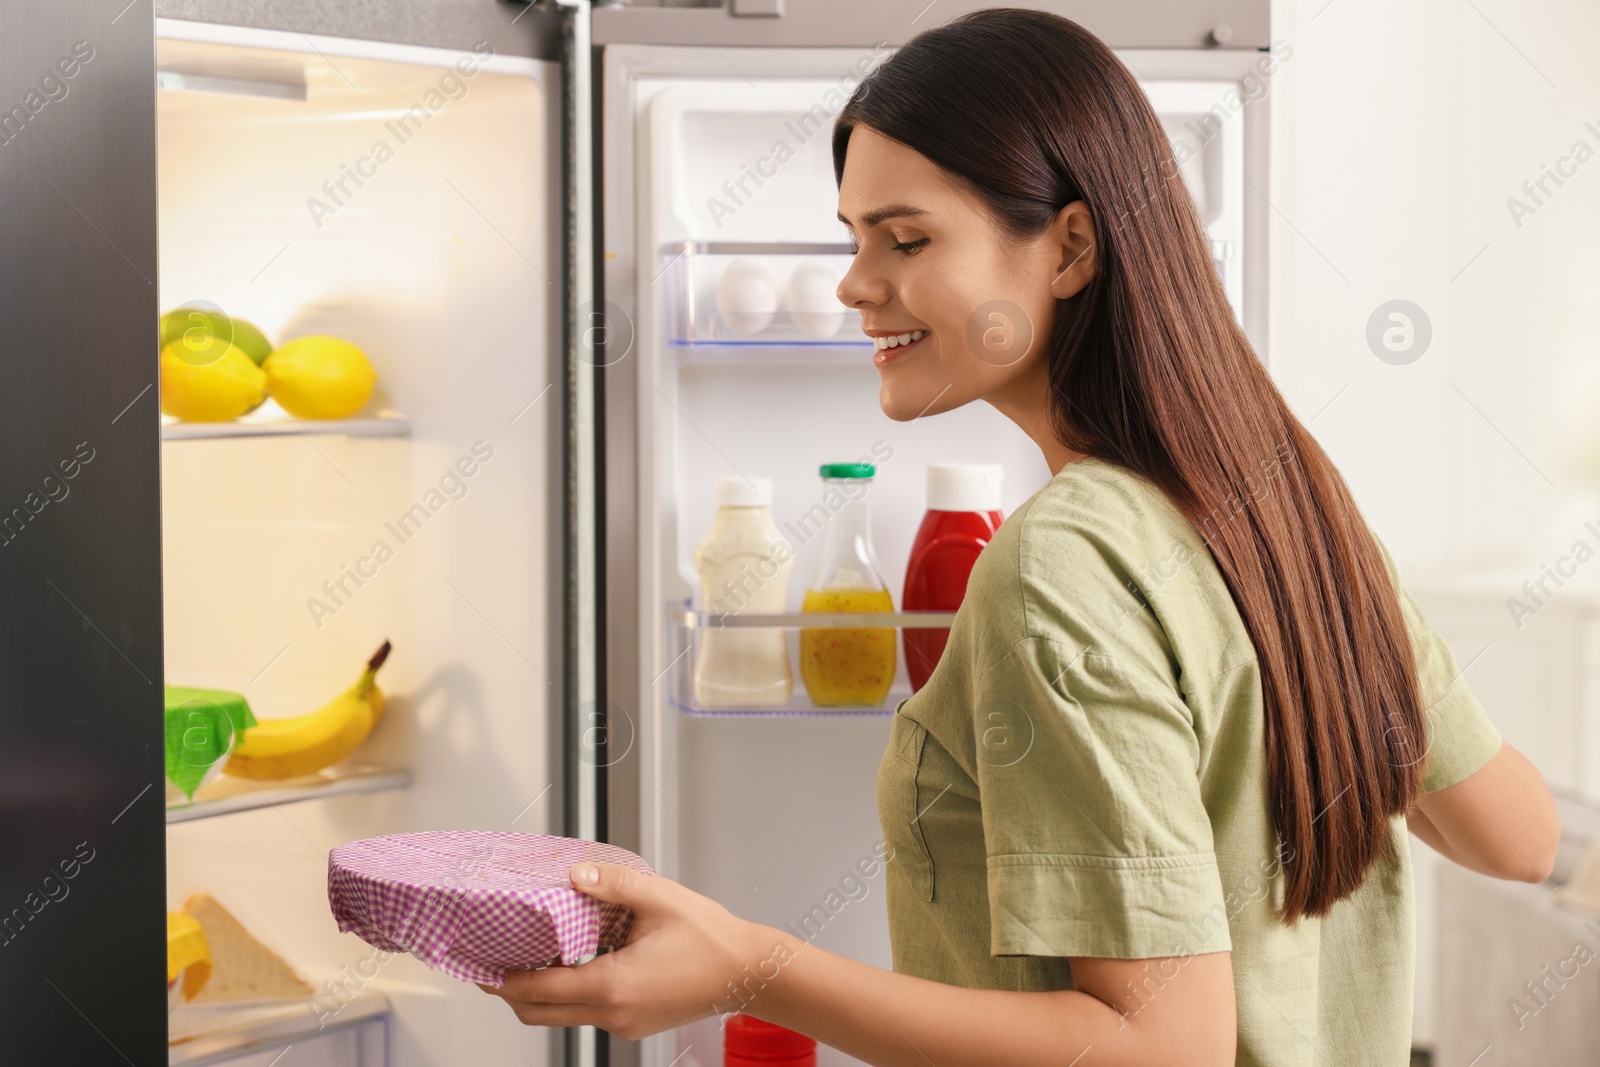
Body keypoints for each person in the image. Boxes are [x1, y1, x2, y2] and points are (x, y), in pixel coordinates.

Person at [482, 9, 1560, 1064]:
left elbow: (1156, 1043)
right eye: (852, 238)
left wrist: (751, 965)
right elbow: (1516, 835)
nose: (856, 283)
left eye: (905, 238)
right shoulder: (1292, 507)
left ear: (1071, 247)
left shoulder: (1061, 567)